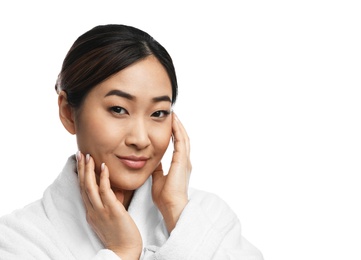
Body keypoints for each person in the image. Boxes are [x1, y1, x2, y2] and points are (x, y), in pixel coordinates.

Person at [0, 24, 263, 260]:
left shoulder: (209, 217)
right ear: (68, 112)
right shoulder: (17, 239)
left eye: (158, 113)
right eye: (118, 109)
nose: (140, 139)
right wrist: (122, 252)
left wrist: (177, 215)